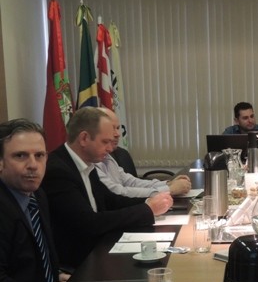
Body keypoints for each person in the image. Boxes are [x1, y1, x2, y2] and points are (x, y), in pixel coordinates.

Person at [42, 107, 173, 269]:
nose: (110, 149)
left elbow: (112, 200)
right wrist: (147, 210)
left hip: (99, 249)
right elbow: (89, 223)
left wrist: (150, 202)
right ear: (84, 138)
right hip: (78, 262)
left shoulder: (87, 163)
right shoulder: (58, 171)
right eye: (105, 142)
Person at [0, 119, 68, 282]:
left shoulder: (37, 195)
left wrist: (57, 276)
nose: (33, 165)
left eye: (39, 155)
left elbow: (32, 257)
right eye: (20, 156)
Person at [95, 108, 191, 198]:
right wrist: (169, 190)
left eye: (117, 128)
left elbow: (131, 182)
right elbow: (118, 192)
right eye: (112, 128)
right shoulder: (92, 162)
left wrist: (168, 184)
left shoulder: (108, 157)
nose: (117, 134)